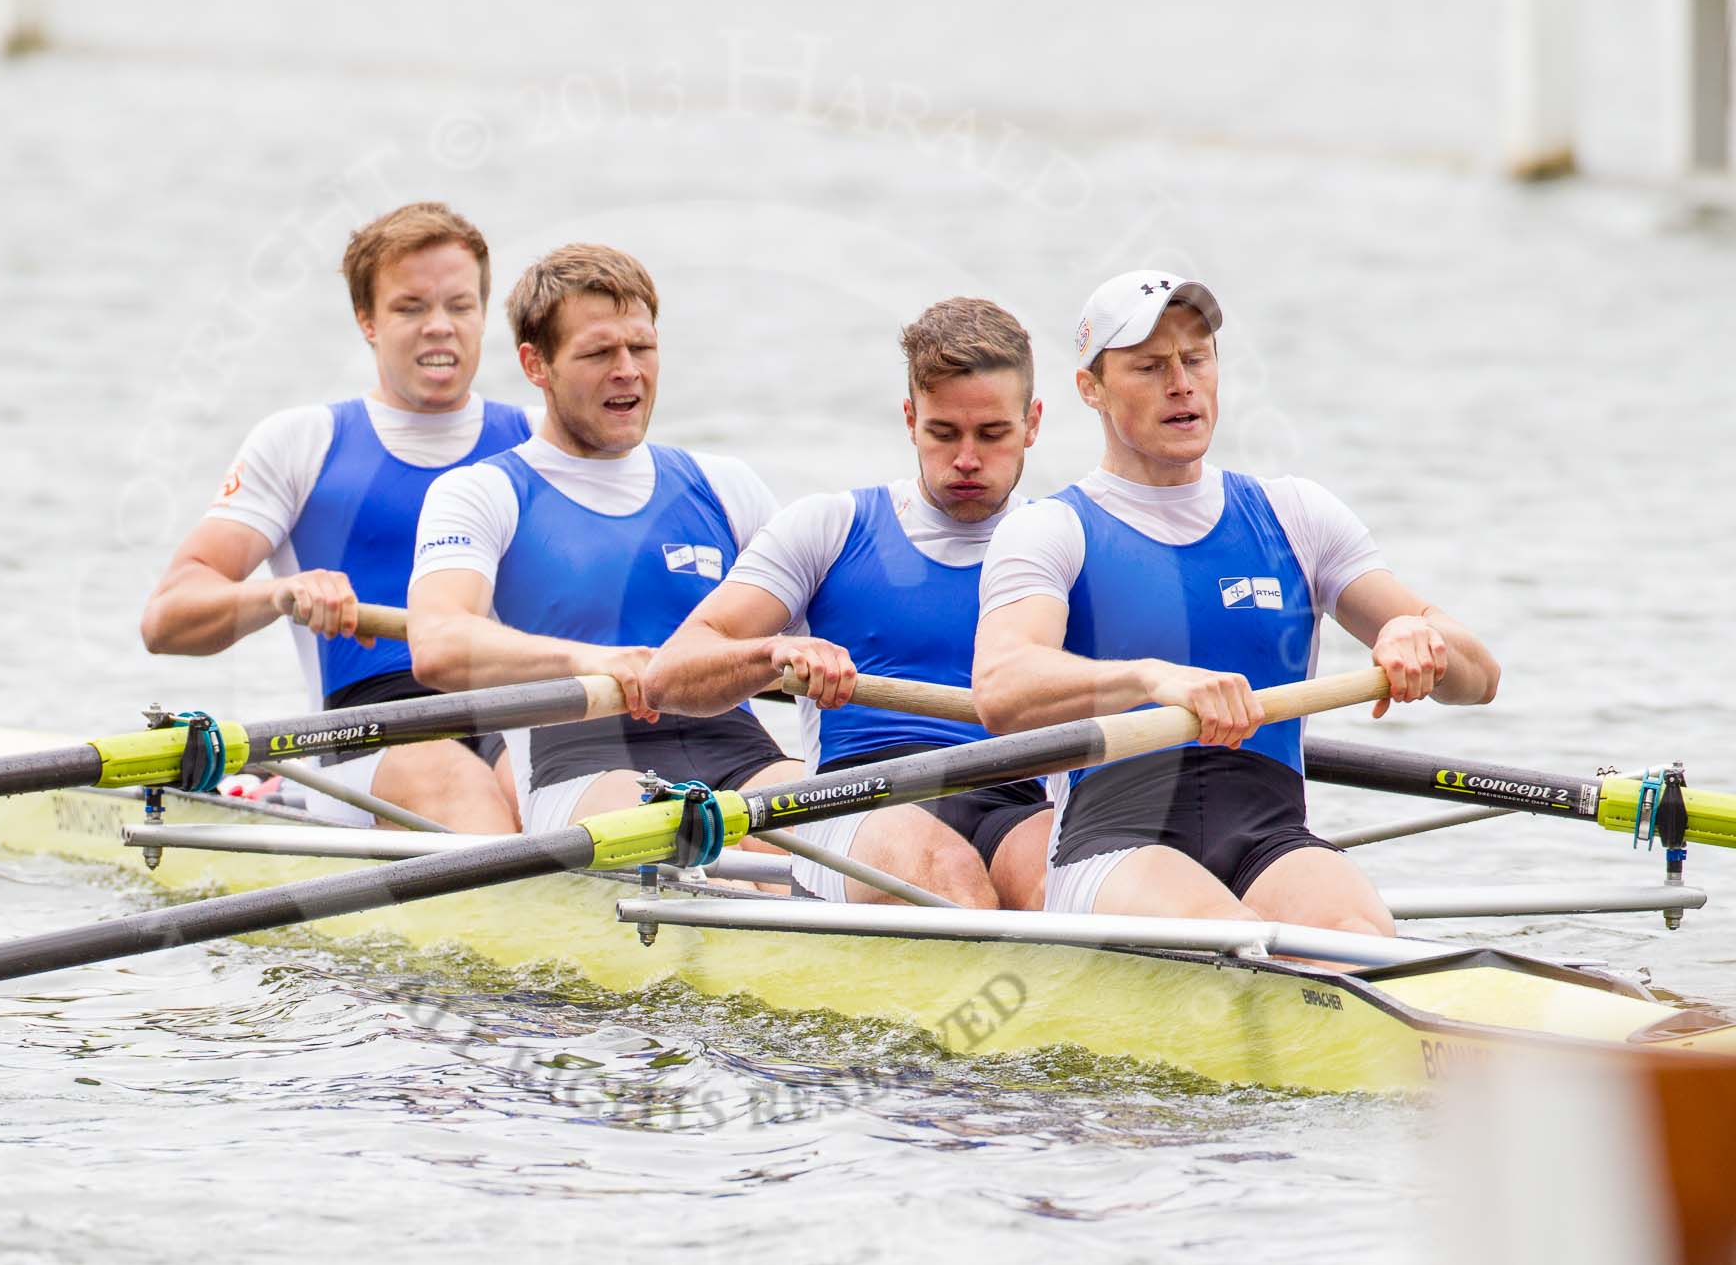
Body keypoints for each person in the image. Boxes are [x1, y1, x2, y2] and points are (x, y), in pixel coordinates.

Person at [972, 269, 1500, 933]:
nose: (1181, 383)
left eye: (1196, 359)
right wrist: (1150, 676)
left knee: (1363, 939)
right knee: (1233, 943)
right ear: (1091, 389)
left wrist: (1420, 638)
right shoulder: (1051, 529)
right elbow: (1000, 686)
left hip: (1267, 831)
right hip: (1113, 839)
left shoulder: (1295, 514)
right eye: (1149, 366)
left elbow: (1481, 680)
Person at [643, 299, 1060, 910]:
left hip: (1015, 799)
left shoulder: (1069, 542)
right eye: (943, 433)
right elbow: (668, 676)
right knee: (946, 877)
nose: (966, 459)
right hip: (861, 797)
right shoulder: (829, 526)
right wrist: (774, 652)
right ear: (911, 418)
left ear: (1033, 423)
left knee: (1074, 891)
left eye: (992, 433)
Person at [139, 202, 525, 833]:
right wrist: (282, 593)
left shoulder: (536, 444)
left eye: (460, 306)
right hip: (366, 728)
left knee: (540, 790)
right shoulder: (302, 442)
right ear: (367, 320)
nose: (439, 327)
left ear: (484, 316)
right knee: (460, 788)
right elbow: (166, 619)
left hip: (519, 711)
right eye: (410, 308)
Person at [406, 243, 807, 832]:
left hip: (737, 747)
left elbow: (829, 636)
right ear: (535, 365)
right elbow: (437, 644)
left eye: (642, 347)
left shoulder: (725, 484)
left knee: (854, 836)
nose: (628, 370)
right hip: (580, 759)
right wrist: (592, 661)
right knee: (689, 846)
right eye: (598, 352)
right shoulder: (480, 493)